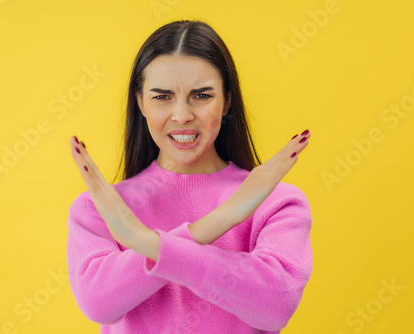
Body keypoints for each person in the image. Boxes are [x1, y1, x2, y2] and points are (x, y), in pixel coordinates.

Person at [67, 19, 312, 333]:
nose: (181, 115)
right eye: (162, 97)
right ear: (140, 102)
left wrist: (146, 244)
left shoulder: (275, 201)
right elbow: (98, 303)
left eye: (201, 96)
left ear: (227, 101)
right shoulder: (102, 208)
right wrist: (219, 220)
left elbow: (276, 306)